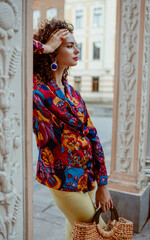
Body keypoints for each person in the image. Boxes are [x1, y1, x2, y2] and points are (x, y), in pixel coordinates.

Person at [33, 18, 113, 240]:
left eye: (75, 45)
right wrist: (45, 46)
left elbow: (93, 136)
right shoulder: (36, 90)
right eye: (69, 45)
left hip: (86, 177)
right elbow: (15, 51)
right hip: (61, 178)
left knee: (77, 235)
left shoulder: (72, 93)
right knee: (99, 232)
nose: (77, 50)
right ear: (54, 53)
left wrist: (102, 183)